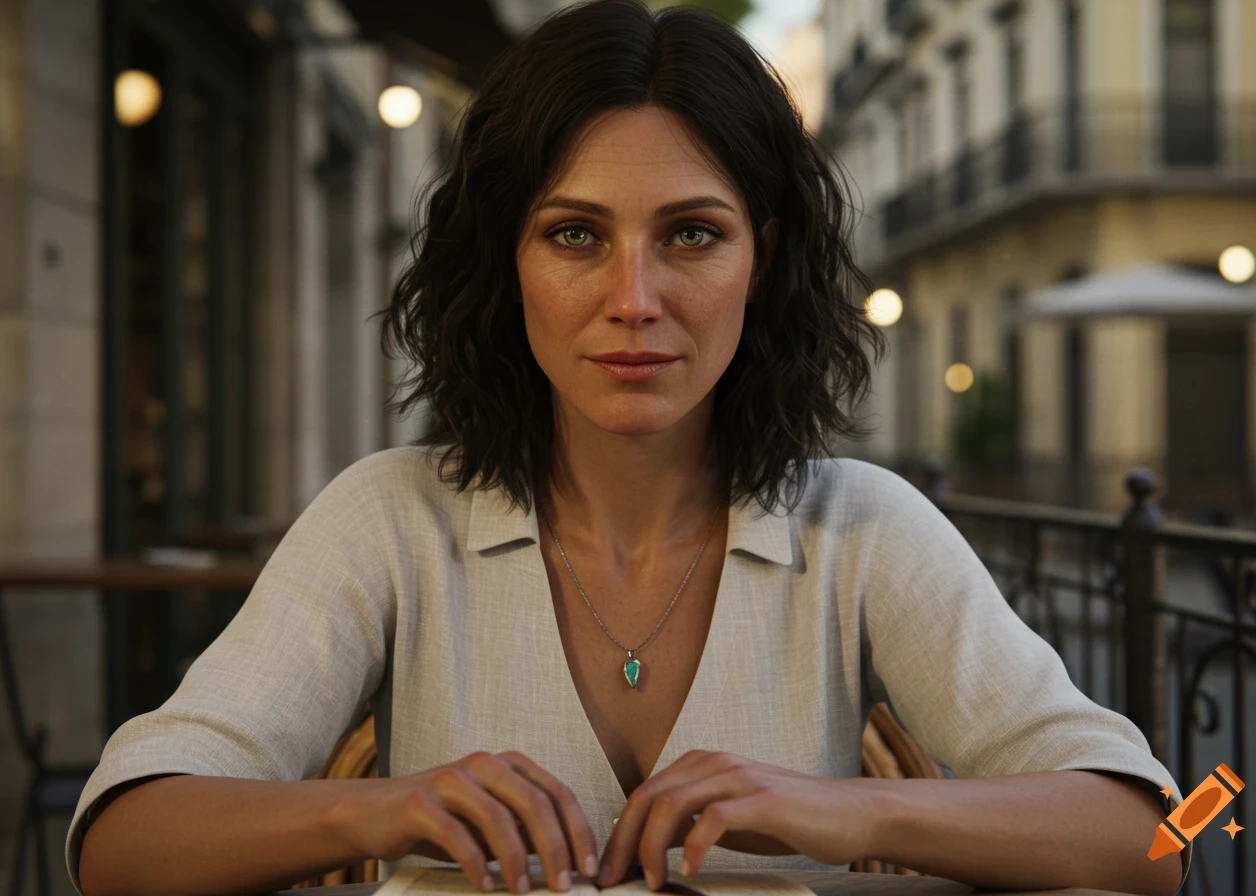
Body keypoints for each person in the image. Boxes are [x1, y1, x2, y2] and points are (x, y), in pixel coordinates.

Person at [69, 2, 1190, 896]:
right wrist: (384, 807)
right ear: (506, 261)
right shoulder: (391, 516)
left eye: (691, 234)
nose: (634, 298)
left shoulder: (861, 527)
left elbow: (1178, 828)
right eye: (574, 234)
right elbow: (117, 840)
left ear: (763, 257)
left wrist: (852, 809)